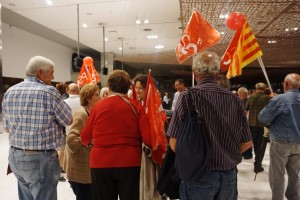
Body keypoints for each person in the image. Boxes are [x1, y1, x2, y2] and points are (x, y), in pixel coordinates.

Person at [167, 51, 252, 200]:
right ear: (217, 72)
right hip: (229, 175)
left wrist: (196, 157)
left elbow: (174, 142)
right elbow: (247, 142)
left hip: (197, 174)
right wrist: (227, 156)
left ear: (194, 73)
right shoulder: (235, 99)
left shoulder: (187, 97)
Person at [2, 56, 72, 200]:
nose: (53, 76)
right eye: (52, 73)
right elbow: (68, 120)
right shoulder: (49, 92)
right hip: (40, 158)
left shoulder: (10, 92)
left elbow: (7, 128)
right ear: (40, 72)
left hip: (15, 156)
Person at [80, 70, 152, 200]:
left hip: (100, 162)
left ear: (109, 86)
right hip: (130, 162)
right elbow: (148, 138)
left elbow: (85, 137)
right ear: (129, 87)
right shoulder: (136, 106)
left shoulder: (97, 107)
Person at [258, 73, 300, 200]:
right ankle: (294, 197)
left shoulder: (279, 99)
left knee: (277, 175)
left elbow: (263, 117)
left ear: (286, 84)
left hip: (281, 142)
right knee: (295, 175)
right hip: (298, 143)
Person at [64, 83, 100, 200]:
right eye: (97, 95)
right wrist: (90, 142)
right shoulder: (82, 113)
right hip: (80, 171)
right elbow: (71, 140)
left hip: (87, 169)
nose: (100, 98)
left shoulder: (91, 112)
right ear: (88, 98)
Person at [245, 82, 271, 173]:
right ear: (264, 89)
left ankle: (254, 159)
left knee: (252, 143)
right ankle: (257, 165)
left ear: (256, 89)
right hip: (263, 125)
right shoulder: (268, 98)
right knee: (260, 146)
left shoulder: (251, 97)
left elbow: (246, 109)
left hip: (251, 124)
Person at [237, 87, 253, 159]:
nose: (245, 95)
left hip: (248, 122)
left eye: (246, 94)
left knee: (247, 138)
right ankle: (244, 153)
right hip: (241, 122)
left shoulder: (249, 100)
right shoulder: (238, 100)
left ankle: (248, 154)